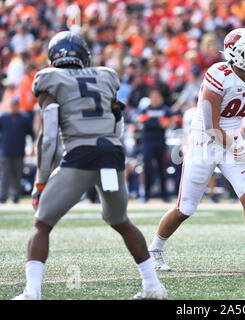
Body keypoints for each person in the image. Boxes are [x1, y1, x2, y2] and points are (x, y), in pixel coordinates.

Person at [12, 31, 167, 300]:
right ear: (84, 56)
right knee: (120, 221)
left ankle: (32, 292)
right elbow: (118, 119)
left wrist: (41, 181)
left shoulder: (49, 80)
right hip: (112, 154)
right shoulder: (105, 76)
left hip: (80, 156)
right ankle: (153, 286)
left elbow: (49, 137)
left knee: (42, 223)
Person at [148, 28, 245, 272]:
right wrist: (238, 146)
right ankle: (154, 249)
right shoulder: (218, 75)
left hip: (232, 136)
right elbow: (211, 127)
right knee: (185, 208)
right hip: (204, 140)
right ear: (234, 53)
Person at [137, 89, 172, 202]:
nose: (155, 99)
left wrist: (150, 123)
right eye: (153, 96)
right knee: (147, 168)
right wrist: (158, 123)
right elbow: (143, 123)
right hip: (147, 143)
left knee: (162, 168)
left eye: (157, 96)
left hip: (160, 142)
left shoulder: (165, 109)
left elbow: (166, 124)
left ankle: (164, 195)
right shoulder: (144, 109)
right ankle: (146, 195)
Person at [0, 97, 34, 203]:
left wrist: (33, 146)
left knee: (17, 175)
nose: (14, 107)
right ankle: (3, 196)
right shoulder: (3, 117)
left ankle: (16, 196)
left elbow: (31, 133)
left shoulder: (24, 118)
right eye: (12, 105)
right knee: (5, 175)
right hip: (5, 151)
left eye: (16, 105)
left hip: (19, 151)